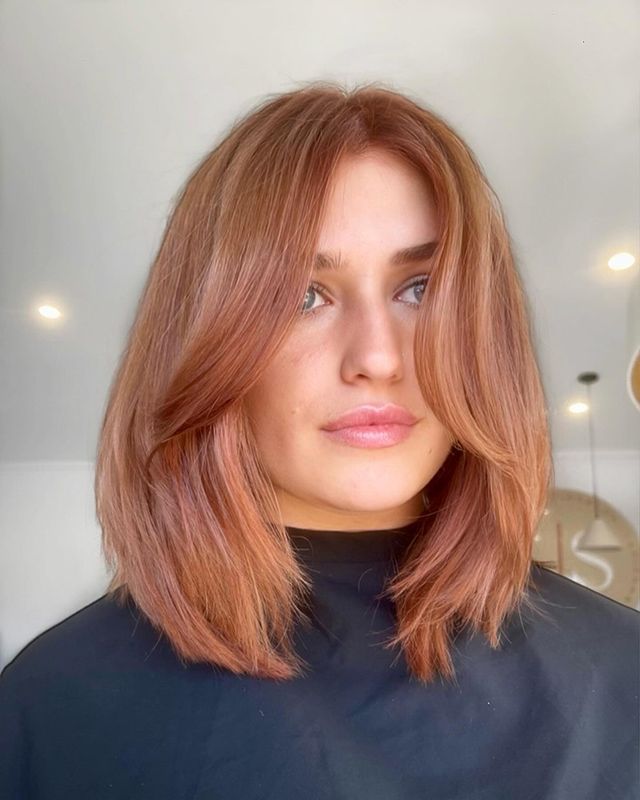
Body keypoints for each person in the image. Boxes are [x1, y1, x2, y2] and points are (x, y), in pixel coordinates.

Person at [0, 80, 638, 799]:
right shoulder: (55, 707)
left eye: (420, 289)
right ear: (208, 340)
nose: (378, 356)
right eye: (305, 296)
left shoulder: (621, 673)